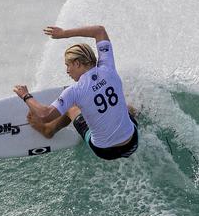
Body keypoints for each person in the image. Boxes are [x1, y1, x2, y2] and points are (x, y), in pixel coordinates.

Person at [13, 25, 138, 160]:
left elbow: (45, 114)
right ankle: (138, 112)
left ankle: (48, 130)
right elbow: (99, 30)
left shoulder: (74, 91)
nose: (67, 71)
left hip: (105, 151)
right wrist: (64, 33)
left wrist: (26, 95)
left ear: (77, 63)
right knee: (124, 106)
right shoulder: (108, 67)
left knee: (71, 107)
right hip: (132, 142)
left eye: (68, 65)